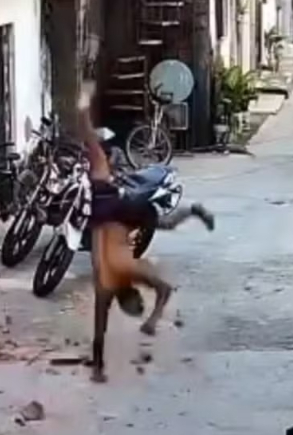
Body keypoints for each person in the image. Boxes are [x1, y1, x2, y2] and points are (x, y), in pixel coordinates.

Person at [76, 81, 214, 383]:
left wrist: (151, 319)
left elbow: (101, 330)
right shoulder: (117, 279)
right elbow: (162, 291)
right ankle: (192, 210)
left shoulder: (118, 279)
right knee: (161, 222)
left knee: (161, 221)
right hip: (114, 213)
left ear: (133, 293)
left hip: (111, 211)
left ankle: (192, 211)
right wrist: (151, 320)